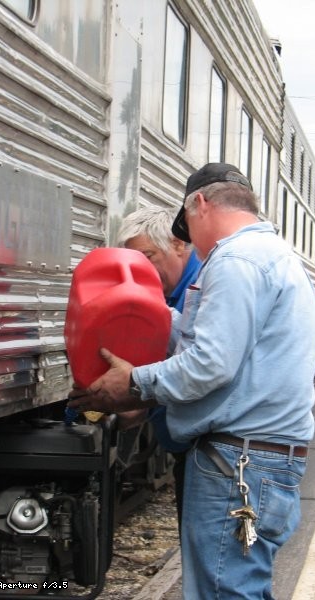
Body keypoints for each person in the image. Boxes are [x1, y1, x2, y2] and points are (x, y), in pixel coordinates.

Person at [70, 163, 315, 599]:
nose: (188, 242)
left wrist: (135, 383)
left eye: (186, 226)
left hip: (238, 462)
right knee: (234, 587)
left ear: (199, 204)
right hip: (258, 459)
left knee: (223, 592)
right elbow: (217, 348)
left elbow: (210, 364)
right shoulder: (271, 255)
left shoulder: (236, 260)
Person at [115, 205, 201, 525]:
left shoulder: (201, 286)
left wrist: (136, 392)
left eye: (147, 257)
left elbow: (199, 370)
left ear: (178, 244)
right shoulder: (166, 291)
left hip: (206, 455)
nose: (142, 271)